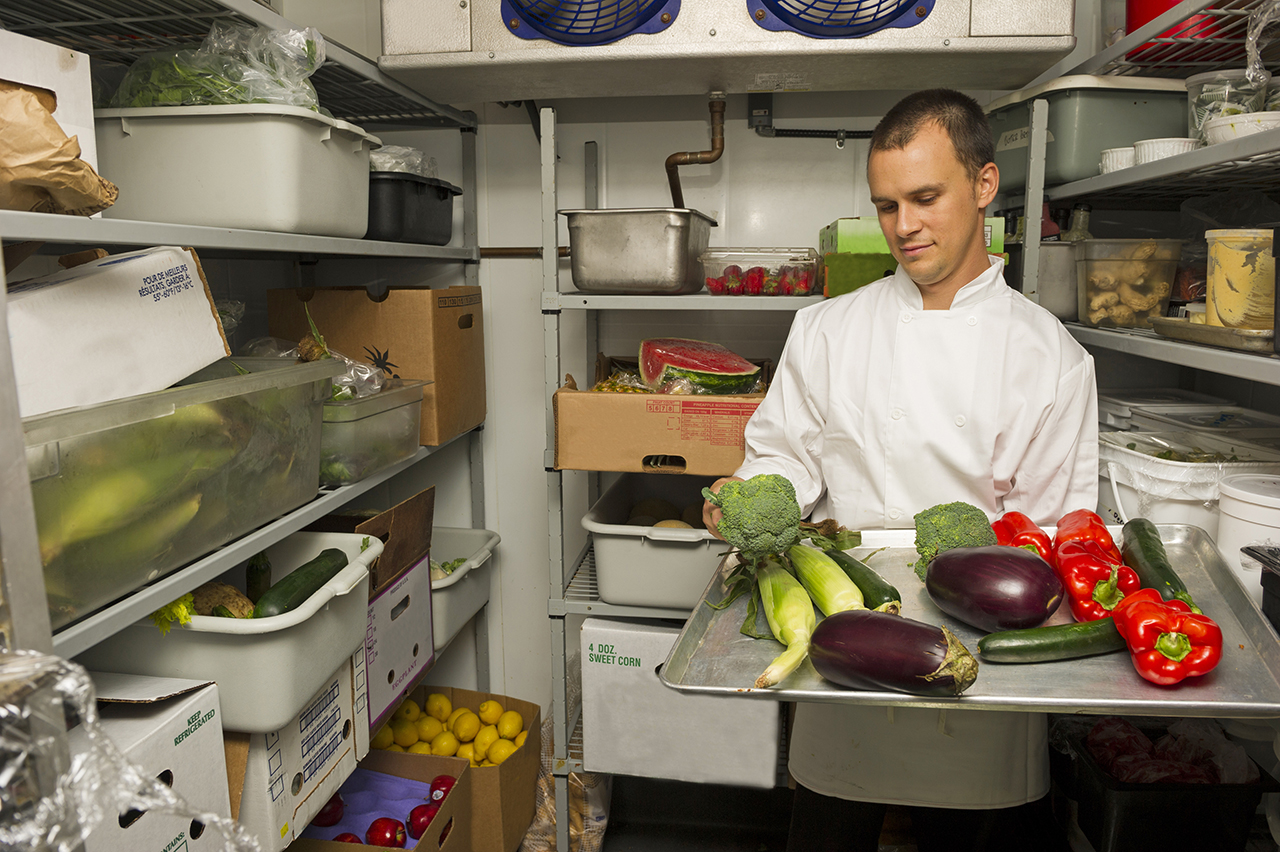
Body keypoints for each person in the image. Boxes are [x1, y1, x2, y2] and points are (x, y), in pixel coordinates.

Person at [703, 89, 1098, 852]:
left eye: (925, 198)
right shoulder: (824, 329)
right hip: (845, 631)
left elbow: (1050, 543)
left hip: (980, 665)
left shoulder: (1051, 358)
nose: (904, 227)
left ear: (984, 185)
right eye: (886, 206)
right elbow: (782, 457)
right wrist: (746, 493)